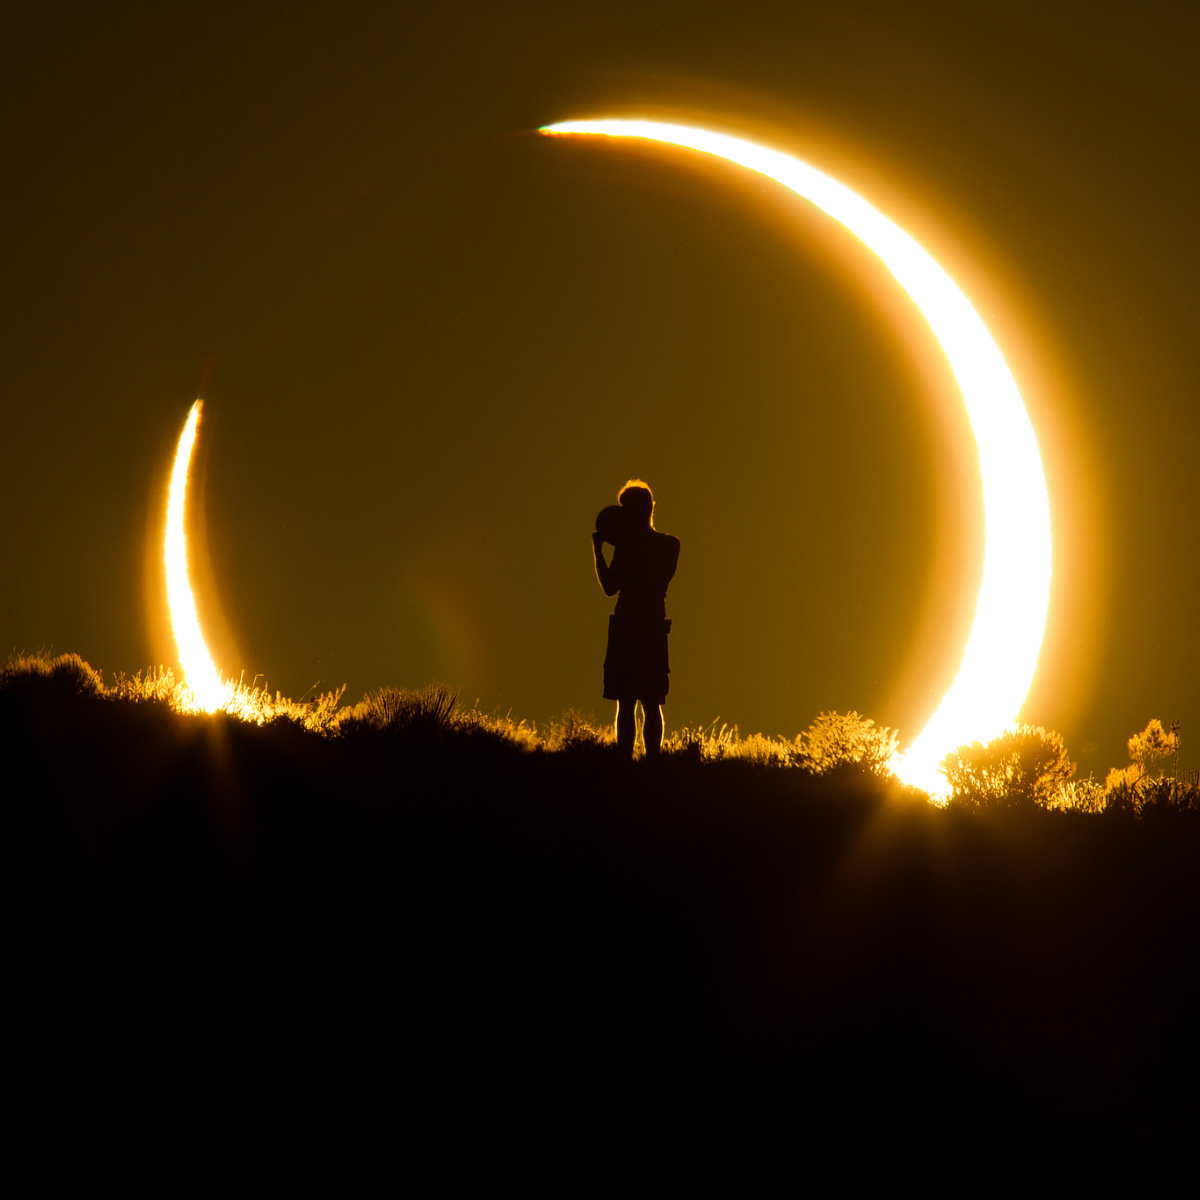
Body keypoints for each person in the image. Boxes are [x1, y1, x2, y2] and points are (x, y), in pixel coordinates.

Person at [592, 480, 680, 758]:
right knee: (652, 701)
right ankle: (652, 762)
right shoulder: (669, 545)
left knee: (626, 701)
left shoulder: (627, 549)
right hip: (653, 626)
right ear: (651, 508)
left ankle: (624, 763)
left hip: (628, 626)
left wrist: (598, 550)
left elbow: (609, 588)